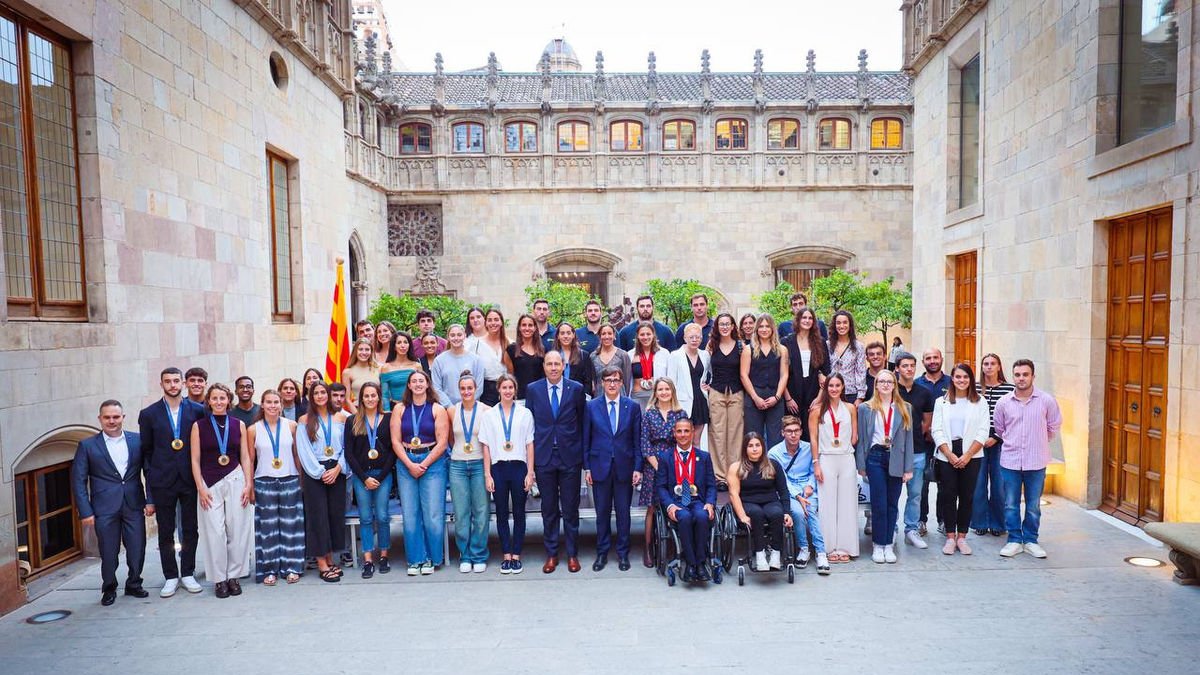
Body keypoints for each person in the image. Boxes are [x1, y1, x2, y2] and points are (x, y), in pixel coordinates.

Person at [72, 400, 150, 606]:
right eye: (107, 417)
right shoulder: (87, 445)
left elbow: (148, 472)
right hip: (103, 508)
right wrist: (85, 511)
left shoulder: (137, 440)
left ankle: (134, 583)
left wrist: (150, 500)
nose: (112, 421)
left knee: (137, 547)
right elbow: (78, 480)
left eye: (116, 417)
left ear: (123, 417)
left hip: (133, 503)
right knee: (108, 552)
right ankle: (109, 587)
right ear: (100, 419)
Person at [137, 368, 206, 597]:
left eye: (176, 381)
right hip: (162, 480)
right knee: (166, 531)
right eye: (168, 381)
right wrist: (149, 490)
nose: (173, 385)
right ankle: (170, 576)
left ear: (183, 383)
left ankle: (188, 572)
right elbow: (146, 452)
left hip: (188, 479)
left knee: (190, 529)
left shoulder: (197, 410)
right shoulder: (149, 414)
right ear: (161, 384)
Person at [993, 359, 1062, 559]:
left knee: (1033, 505)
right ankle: (1014, 539)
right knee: (1011, 503)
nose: (1021, 378)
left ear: (1033, 376)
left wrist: (1039, 441)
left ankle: (1031, 540)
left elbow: (1054, 425)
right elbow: (999, 428)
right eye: (1017, 375)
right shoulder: (1004, 402)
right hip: (1010, 461)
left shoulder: (1046, 400)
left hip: (1036, 461)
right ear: (1013, 376)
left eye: (1025, 374)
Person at [524, 351, 586, 573]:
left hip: (570, 456)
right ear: (544, 367)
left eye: (556, 364)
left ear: (563, 366)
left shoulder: (576, 389)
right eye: (549, 364)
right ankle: (551, 554)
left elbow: (582, 423)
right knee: (548, 509)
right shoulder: (533, 390)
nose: (552, 368)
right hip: (544, 456)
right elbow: (528, 424)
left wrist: (582, 456)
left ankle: (572, 554)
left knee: (570, 509)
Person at [190, 383, 254, 598]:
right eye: (214, 398)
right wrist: (200, 487)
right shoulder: (199, 426)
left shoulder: (238, 425)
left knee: (237, 529)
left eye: (222, 398)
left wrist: (248, 484)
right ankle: (219, 579)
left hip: (235, 477)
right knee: (214, 532)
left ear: (229, 401)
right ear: (208, 401)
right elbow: (195, 459)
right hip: (209, 482)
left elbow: (245, 456)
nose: (218, 402)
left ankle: (234, 576)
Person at [391, 370, 451, 575]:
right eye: (413, 381)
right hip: (406, 461)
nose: (417, 384)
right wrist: (410, 464)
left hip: (432, 461)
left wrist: (423, 464)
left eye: (421, 381)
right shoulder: (399, 408)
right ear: (408, 386)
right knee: (411, 514)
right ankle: (415, 559)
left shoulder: (437, 409)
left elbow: (443, 442)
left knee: (433, 514)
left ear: (427, 384)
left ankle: (432, 558)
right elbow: (395, 441)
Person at [583, 366, 643, 572]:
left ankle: (623, 554)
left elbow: (637, 441)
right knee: (602, 513)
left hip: (624, 468)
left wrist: (638, 467)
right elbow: (586, 439)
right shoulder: (591, 406)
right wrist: (587, 468)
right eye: (608, 380)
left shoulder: (632, 407)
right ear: (601, 383)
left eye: (616, 380)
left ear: (621, 383)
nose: (611, 384)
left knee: (623, 513)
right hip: (599, 467)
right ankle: (602, 553)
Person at [855, 369, 915, 564]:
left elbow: (909, 441)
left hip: (896, 458)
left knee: (892, 504)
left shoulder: (904, 407)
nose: (886, 385)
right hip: (875, 457)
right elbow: (863, 438)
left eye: (889, 381)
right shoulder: (866, 408)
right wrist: (861, 464)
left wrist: (908, 468)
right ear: (876, 385)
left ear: (894, 385)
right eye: (882, 381)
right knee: (879, 504)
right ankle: (878, 545)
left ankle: (888, 544)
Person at [931, 363, 991, 555]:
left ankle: (962, 536)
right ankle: (950, 537)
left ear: (971, 380)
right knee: (948, 496)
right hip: (946, 453)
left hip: (971, 454)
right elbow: (936, 429)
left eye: (965, 377)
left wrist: (967, 455)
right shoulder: (942, 402)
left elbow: (983, 431)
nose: (962, 380)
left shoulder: (980, 402)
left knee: (967, 496)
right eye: (958, 377)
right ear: (952, 379)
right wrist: (949, 454)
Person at [247, 389, 305, 585]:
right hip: (264, 481)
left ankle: (292, 567)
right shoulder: (253, 429)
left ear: (282, 405)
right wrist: (250, 486)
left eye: (276, 402)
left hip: (290, 479)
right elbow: (250, 460)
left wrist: (301, 479)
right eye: (268, 402)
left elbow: (297, 455)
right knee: (267, 528)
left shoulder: (292, 426)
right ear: (262, 405)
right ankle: (268, 569)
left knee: (292, 526)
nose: (272, 406)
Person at [481, 374, 536, 574]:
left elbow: (530, 444)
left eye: (510, 388)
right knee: (502, 513)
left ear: (515, 390)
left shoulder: (525, 413)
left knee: (519, 512)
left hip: (519, 466)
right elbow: (485, 446)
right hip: (499, 468)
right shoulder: (489, 415)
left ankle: (516, 555)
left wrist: (530, 472)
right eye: (504, 387)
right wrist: (487, 474)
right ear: (498, 390)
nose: (507, 391)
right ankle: (506, 554)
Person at [295, 382, 349, 583]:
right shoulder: (304, 420)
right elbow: (303, 450)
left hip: (337, 470)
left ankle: (330, 557)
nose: (319, 396)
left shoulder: (341, 418)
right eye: (315, 393)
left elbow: (347, 447)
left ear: (328, 395)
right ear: (311, 396)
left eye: (322, 392)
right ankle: (321, 563)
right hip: (315, 472)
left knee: (334, 515)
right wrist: (320, 473)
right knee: (318, 517)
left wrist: (338, 469)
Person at [655, 417, 718, 581]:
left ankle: (701, 563)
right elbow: (660, 487)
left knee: (702, 516)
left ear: (692, 433)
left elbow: (711, 485)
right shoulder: (665, 457)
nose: (683, 434)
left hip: (697, 500)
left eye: (686, 431)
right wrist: (669, 506)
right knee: (684, 517)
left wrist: (710, 504)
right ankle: (691, 564)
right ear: (674, 434)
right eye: (679, 431)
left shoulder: (704, 457)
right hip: (677, 501)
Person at [343, 382, 395, 578]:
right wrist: (364, 478)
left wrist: (380, 478)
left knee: (382, 516)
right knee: (365, 518)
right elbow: (349, 453)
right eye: (367, 396)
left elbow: (392, 451)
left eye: (374, 395)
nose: (370, 399)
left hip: (383, 475)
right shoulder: (352, 421)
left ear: (379, 398)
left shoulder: (388, 419)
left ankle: (383, 555)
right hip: (361, 477)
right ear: (361, 399)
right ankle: (367, 559)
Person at [768, 416, 829, 574]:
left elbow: (813, 470)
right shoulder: (774, 453)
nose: (793, 434)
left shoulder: (809, 448)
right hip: (789, 489)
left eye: (796, 431)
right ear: (783, 433)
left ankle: (821, 552)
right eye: (789, 431)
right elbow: (781, 479)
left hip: (807, 487)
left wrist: (809, 486)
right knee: (798, 512)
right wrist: (797, 495)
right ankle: (804, 548)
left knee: (811, 510)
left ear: (801, 432)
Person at [639, 377, 689, 566]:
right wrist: (659, 467)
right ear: (655, 393)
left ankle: (673, 546)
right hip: (654, 466)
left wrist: (674, 466)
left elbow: (685, 441)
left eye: (667, 389)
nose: (664, 392)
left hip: (677, 464)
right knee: (652, 508)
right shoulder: (649, 414)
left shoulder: (681, 413)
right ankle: (648, 548)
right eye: (660, 389)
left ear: (672, 391)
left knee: (677, 504)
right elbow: (645, 444)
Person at [727, 432, 793, 571]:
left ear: (763, 447)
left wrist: (787, 512)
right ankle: (760, 554)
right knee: (756, 514)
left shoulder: (773, 465)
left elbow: (783, 491)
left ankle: (776, 553)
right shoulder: (736, 467)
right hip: (747, 502)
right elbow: (733, 494)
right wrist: (742, 516)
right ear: (745, 448)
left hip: (770, 501)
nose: (755, 449)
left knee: (777, 513)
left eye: (757, 445)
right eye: (750, 446)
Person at [810, 373, 858, 561]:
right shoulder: (817, 410)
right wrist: (816, 463)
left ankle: (846, 546)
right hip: (826, 458)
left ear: (843, 387)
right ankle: (828, 547)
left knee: (847, 503)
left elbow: (855, 436)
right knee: (827, 503)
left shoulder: (850, 408)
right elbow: (813, 438)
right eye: (831, 385)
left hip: (846, 457)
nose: (834, 389)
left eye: (838, 385)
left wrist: (846, 442)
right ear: (825, 387)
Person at [448, 373, 491, 573]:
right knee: (461, 512)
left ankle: (479, 553)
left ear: (476, 389)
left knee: (481, 512)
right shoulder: (451, 411)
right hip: (457, 465)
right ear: (459, 390)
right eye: (463, 388)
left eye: (470, 388)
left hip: (479, 464)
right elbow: (449, 438)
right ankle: (464, 554)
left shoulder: (486, 411)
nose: (466, 392)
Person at [894, 352, 935, 550]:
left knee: (916, 493)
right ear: (897, 368)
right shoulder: (890, 390)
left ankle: (911, 529)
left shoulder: (924, 392)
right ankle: (891, 529)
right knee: (892, 493)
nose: (909, 369)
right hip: (893, 451)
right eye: (905, 366)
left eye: (912, 365)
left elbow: (927, 421)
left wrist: (915, 435)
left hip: (918, 449)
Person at [972, 353, 1016, 536]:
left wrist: (997, 437)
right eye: (985, 364)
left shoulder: (1009, 389)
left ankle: (999, 524)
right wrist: (980, 439)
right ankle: (980, 522)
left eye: (992, 364)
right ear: (981, 367)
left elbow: (1013, 418)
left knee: (999, 485)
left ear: (999, 366)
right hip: (977, 442)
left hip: (1000, 443)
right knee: (978, 484)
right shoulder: (974, 388)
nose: (989, 367)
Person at [706, 313, 743, 489]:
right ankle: (719, 476)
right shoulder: (711, 345)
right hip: (716, 391)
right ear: (717, 327)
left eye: (728, 324)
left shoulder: (741, 346)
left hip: (736, 393)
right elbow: (704, 368)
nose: (725, 327)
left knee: (735, 433)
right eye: (721, 324)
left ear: (733, 326)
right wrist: (703, 385)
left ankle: (733, 473)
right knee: (717, 434)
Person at [740, 314, 790, 448]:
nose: (764, 329)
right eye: (761, 326)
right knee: (753, 437)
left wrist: (777, 397)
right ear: (756, 329)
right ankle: (754, 468)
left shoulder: (782, 350)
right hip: (754, 397)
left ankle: (773, 467)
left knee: (776, 438)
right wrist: (755, 398)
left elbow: (784, 375)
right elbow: (744, 375)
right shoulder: (748, 349)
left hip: (775, 397)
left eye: (767, 326)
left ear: (773, 328)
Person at [916, 347, 951, 534]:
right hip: (923, 442)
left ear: (941, 359)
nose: (932, 361)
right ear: (923, 362)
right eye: (928, 358)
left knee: (945, 484)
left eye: (935, 357)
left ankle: (943, 520)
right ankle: (921, 520)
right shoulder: (916, 384)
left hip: (946, 443)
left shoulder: (952, 383)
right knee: (921, 485)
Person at [783, 307, 831, 440]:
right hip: (792, 392)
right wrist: (788, 399)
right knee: (792, 432)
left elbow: (826, 371)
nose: (807, 320)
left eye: (810, 318)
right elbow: (781, 373)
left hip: (813, 392)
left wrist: (819, 398)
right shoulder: (786, 342)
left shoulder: (820, 342)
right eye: (804, 317)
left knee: (811, 433)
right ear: (798, 320)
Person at [667, 323, 711, 445]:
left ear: (701, 338)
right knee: (683, 439)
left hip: (700, 400)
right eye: (691, 337)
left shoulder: (705, 355)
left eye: (697, 337)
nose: (694, 340)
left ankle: (696, 464)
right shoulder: (675, 355)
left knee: (697, 440)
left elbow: (710, 374)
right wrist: (673, 404)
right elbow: (671, 382)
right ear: (685, 338)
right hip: (683, 402)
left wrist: (709, 386)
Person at [466, 308, 511, 406]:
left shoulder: (510, 343)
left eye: (496, 319)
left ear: (501, 322)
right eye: (490, 320)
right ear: (485, 323)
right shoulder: (477, 345)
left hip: (506, 388)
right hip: (486, 390)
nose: (493, 323)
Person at [430, 324, 483, 405]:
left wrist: (466, 405)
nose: (456, 338)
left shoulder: (476, 360)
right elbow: (436, 388)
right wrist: (450, 407)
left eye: (459, 335)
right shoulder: (439, 361)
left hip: (470, 407)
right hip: (447, 409)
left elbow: (479, 387)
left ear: (464, 336)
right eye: (452, 335)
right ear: (448, 337)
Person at [828, 310, 867, 404]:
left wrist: (860, 397)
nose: (841, 326)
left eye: (845, 322)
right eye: (838, 323)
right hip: (831, 392)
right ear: (834, 325)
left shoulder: (858, 346)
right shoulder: (827, 345)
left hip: (850, 393)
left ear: (850, 325)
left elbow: (860, 372)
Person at [628, 321, 667, 411]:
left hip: (657, 397)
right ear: (637, 336)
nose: (645, 337)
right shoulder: (630, 355)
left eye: (648, 334)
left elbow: (669, 378)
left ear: (653, 335)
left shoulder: (664, 354)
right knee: (637, 424)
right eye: (642, 334)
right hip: (636, 397)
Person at [507, 314, 546, 401]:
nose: (527, 328)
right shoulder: (511, 349)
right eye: (524, 325)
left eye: (530, 325)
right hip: (519, 398)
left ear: (535, 328)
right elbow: (510, 375)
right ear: (519, 328)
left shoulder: (543, 350)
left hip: (539, 397)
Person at [380, 331, 421, 411]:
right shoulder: (386, 368)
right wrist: (387, 412)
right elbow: (385, 395)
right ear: (394, 346)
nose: (403, 345)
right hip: (395, 408)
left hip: (415, 407)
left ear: (409, 345)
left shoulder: (417, 366)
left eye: (405, 342)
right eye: (399, 343)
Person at [590, 323, 632, 397]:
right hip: (600, 397)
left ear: (614, 335)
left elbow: (627, 381)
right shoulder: (593, 356)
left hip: (619, 397)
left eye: (609, 333)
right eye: (603, 334)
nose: (607, 337)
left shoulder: (623, 355)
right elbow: (594, 380)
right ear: (599, 336)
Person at [554, 321, 594, 396]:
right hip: (557, 397)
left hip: (577, 397)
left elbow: (588, 382)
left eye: (568, 333)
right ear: (558, 336)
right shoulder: (552, 356)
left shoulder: (583, 355)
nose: (565, 336)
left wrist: (584, 399)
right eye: (562, 333)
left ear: (573, 335)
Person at [342, 338, 381, 413]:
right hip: (358, 411)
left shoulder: (379, 369)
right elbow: (347, 399)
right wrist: (358, 417)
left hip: (377, 412)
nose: (364, 352)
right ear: (355, 351)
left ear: (371, 351)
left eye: (367, 349)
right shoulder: (347, 372)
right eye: (360, 349)